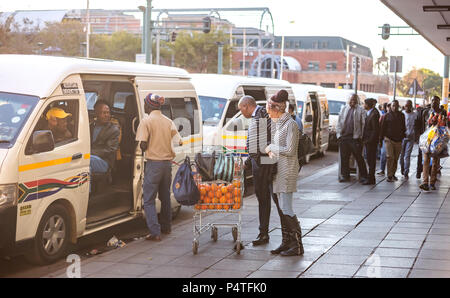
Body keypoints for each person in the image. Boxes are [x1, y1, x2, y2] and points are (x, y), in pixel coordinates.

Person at [136, 93, 182, 241]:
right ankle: (166, 227)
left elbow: (142, 144)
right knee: (165, 197)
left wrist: (149, 144)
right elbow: (179, 141)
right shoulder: (168, 121)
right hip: (167, 165)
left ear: (149, 105)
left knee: (148, 200)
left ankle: (155, 232)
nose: (144, 105)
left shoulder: (146, 121)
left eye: (145, 103)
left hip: (154, 164)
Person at [265, 92, 304, 256]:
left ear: (277, 109)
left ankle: (297, 245)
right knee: (282, 208)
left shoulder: (291, 124)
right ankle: (286, 242)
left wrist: (271, 148)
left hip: (287, 171)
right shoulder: (280, 123)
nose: (268, 113)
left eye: (269, 110)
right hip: (280, 170)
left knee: (287, 208)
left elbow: (289, 150)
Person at [238, 95, 276, 246]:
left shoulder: (261, 114)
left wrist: (258, 158)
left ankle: (264, 233)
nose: (242, 113)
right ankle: (263, 232)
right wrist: (248, 161)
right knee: (262, 198)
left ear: (247, 106)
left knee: (264, 198)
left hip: (263, 163)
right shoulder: (257, 116)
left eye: (241, 110)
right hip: (258, 161)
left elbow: (268, 140)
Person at [336, 93, 368, 184]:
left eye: (354, 100)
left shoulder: (361, 110)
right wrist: (339, 135)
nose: (352, 101)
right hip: (344, 137)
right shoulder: (344, 109)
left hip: (355, 138)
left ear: (357, 100)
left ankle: (364, 176)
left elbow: (363, 124)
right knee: (344, 158)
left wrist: (361, 137)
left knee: (359, 158)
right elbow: (339, 123)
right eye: (351, 100)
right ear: (348, 100)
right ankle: (344, 176)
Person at [420, 96, 447, 191]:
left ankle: (432, 182)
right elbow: (422, 125)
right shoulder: (426, 112)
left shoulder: (442, 112)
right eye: (432, 101)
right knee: (426, 160)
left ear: (439, 102)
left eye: (436, 101)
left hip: (437, 140)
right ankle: (425, 182)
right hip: (427, 140)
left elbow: (445, 125)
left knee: (435, 162)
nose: (434, 103)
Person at [90, 100, 120, 174]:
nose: (106, 115)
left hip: (105, 161)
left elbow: (110, 149)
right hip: (91, 157)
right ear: (96, 114)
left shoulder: (113, 130)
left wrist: (89, 153)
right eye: (103, 113)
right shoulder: (91, 126)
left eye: (108, 113)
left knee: (86, 160)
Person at [380, 100, 406, 182]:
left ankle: (393, 173)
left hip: (398, 140)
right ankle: (389, 175)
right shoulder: (386, 116)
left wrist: (402, 136)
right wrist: (381, 139)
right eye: (393, 105)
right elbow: (382, 128)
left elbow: (403, 127)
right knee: (390, 156)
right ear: (390, 106)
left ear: (398, 106)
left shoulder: (401, 115)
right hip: (389, 139)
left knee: (395, 158)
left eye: (396, 106)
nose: (395, 107)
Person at [362, 98, 380, 185]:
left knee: (371, 159)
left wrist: (369, 140)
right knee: (369, 159)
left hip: (371, 142)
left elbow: (375, 130)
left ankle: (371, 178)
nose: (363, 106)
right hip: (368, 140)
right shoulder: (370, 113)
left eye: (365, 104)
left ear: (368, 105)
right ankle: (370, 177)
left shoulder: (374, 114)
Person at [399, 100, 416, 180]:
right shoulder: (401, 114)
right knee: (401, 155)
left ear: (411, 106)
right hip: (402, 137)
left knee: (407, 155)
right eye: (406, 106)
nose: (407, 107)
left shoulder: (414, 115)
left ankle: (406, 172)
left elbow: (416, 125)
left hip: (411, 137)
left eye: (409, 106)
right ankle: (402, 169)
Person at [377, 102, 391, 176]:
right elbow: (380, 127)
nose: (389, 109)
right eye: (388, 107)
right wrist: (380, 138)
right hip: (385, 138)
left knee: (390, 156)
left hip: (393, 139)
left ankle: (390, 171)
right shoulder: (383, 116)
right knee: (383, 154)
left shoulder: (397, 116)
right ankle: (382, 169)